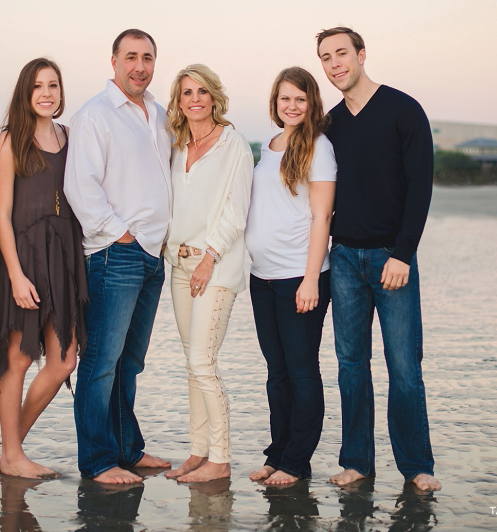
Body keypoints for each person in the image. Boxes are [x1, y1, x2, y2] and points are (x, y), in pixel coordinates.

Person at [316, 26, 441, 492]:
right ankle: (357, 462)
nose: (335, 65)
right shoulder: (329, 124)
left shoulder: (403, 110)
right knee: (351, 365)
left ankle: (417, 467)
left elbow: (420, 187)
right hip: (344, 258)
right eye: (326, 57)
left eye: (342, 54)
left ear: (361, 54)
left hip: (393, 258)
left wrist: (404, 253)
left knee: (405, 366)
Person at [64, 29, 173, 483]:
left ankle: (128, 448)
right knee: (101, 362)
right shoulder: (95, 114)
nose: (140, 66)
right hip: (116, 255)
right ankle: (98, 461)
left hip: (153, 256)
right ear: (113, 62)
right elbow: (80, 186)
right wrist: (120, 235)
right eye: (131, 57)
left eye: (148, 57)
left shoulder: (162, 116)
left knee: (130, 362)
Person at [0, 58, 88, 478]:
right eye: (38, 86)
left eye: (53, 85)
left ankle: (11, 450)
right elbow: (1, 214)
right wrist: (15, 274)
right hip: (25, 256)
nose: (47, 93)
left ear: (61, 92)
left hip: (65, 255)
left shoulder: (71, 136)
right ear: (25, 93)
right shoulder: (9, 140)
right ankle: (12, 455)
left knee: (64, 360)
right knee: (19, 358)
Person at [244, 67, 337, 485]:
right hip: (261, 277)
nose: (292, 106)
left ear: (311, 102)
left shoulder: (319, 147)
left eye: (300, 99)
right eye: (285, 99)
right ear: (275, 103)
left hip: (299, 278)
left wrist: (311, 278)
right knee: (276, 372)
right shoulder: (269, 144)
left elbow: (322, 217)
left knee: (301, 372)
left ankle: (297, 462)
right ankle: (277, 451)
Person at [161, 65, 254, 483]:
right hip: (178, 264)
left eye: (201, 91)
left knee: (203, 361)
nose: (194, 99)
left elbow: (236, 211)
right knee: (190, 363)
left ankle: (221, 459)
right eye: (186, 93)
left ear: (214, 97)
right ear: (178, 102)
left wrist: (208, 257)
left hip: (214, 265)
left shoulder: (232, 143)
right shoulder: (178, 146)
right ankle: (198, 452)